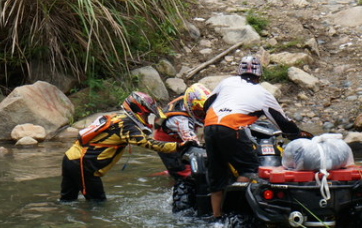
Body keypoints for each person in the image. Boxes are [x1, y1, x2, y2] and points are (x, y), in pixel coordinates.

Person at [203, 55, 307, 218]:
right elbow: (282, 122)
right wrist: (298, 135)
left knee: (217, 172)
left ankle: (216, 216)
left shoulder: (227, 82)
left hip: (209, 126)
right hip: (232, 128)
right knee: (250, 169)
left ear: (239, 72)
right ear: (259, 75)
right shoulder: (263, 93)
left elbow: (206, 104)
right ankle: (236, 211)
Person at [60, 91, 195, 202]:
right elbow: (149, 143)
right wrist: (178, 146)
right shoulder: (127, 126)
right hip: (83, 166)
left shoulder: (118, 117)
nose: (148, 118)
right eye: (146, 114)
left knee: (67, 200)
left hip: (71, 158)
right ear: (137, 110)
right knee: (97, 203)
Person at [153, 84, 212, 211]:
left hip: (176, 132)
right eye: (199, 112)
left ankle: (170, 175)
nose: (202, 115)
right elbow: (193, 144)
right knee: (185, 172)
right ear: (190, 107)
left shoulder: (190, 102)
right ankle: (176, 187)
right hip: (165, 141)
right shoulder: (181, 120)